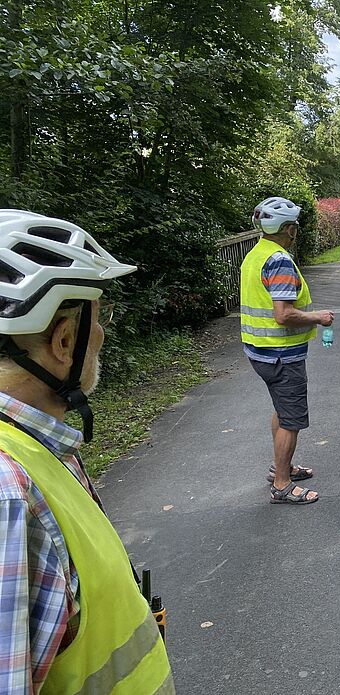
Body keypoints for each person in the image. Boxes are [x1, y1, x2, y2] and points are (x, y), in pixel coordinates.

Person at [0, 210, 174, 693]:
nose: (103, 333)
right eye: (101, 318)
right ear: (64, 341)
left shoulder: (36, 446)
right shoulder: (9, 492)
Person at [242, 197, 334, 504]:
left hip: (261, 352)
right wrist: (318, 317)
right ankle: (282, 484)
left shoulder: (255, 254)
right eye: (294, 227)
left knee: (282, 410)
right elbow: (283, 314)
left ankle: (282, 467)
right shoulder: (279, 260)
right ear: (289, 230)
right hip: (281, 353)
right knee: (291, 419)